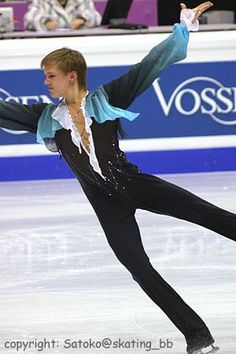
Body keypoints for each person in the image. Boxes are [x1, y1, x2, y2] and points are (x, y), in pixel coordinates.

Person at [0, 2, 231, 353]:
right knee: (140, 269)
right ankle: (197, 336)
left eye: (51, 76)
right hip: (107, 206)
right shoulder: (46, 117)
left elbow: (151, 66)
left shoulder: (106, 99)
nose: (45, 83)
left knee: (208, 214)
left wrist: (182, 29)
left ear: (71, 75)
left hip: (136, 184)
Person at [24, 0, 101, 31]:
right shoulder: (41, 1)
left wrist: (83, 19)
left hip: (78, 44)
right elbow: (28, 19)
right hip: (48, 44)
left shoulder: (82, 1)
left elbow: (96, 17)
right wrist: (44, 21)